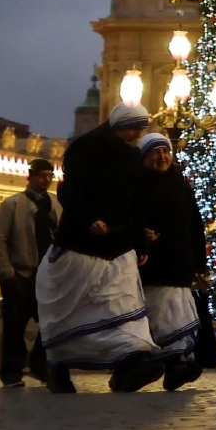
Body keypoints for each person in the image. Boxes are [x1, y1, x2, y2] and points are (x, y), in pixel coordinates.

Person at [37, 102, 163, 394]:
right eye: (135, 127)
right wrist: (89, 218)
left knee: (122, 307)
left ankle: (128, 366)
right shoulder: (85, 148)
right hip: (82, 247)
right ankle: (58, 368)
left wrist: (140, 242)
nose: (138, 133)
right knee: (76, 310)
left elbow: (137, 202)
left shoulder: (133, 156)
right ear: (120, 125)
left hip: (119, 248)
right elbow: (69, 190)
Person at [138, 133, 207, 391]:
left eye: (165, 152)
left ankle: (177, 364)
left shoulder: (180, 184)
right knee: (158, 317)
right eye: (155, 153)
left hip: (179, 266)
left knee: (176, 316)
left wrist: (200, 263)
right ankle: (147, 364)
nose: (161, 157)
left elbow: (194, 225)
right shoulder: (137, 184)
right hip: (152, 267)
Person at [0, 158, 60, 387]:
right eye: (41, 175)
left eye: (50, 175)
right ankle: (11, 372)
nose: (46, 180)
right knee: (14, 326)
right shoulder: (13, 204)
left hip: (49, 275)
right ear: (29, 177)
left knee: (52, 323)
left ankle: (39, 363)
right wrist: (6, 273)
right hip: (21, 274)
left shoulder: (56, 205)